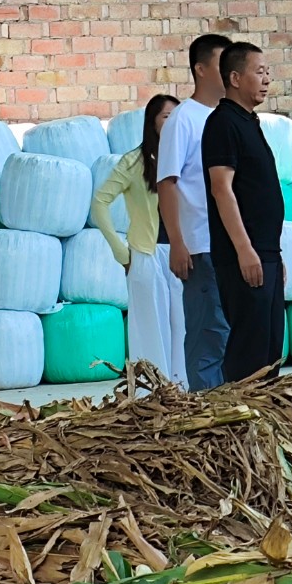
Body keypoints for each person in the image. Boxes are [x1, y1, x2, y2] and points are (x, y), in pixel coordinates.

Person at [203, 42, 287, 382]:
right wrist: (245, 250)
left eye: (268, 72)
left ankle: (268, 422)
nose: (266, 79)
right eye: (259, 71)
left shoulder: (250, 121)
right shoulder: (222, 123)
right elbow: (221, 189)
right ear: (235, 78)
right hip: (242, 255)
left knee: (269, 348)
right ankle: (243, 420)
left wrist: (271, 253)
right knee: (249, 351)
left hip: (264, 251)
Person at [92, 94, 187, 386]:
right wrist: (122, 252)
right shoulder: (133, 161)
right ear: (152, 122)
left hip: (181, 255)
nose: (171, 123)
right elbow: (99, 203)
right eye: (165, 117)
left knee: (184, 330)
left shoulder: (186, 157)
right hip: (146, 255)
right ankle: (154, 398)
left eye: (175, 117)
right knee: (150, 332)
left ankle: (187, 395)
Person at [157, 33, 233, 390]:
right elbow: (167, 183)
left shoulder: (230, 117)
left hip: (231, 244)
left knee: (229, 330)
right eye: (222, 63)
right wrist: (177, 242)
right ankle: (208, 411)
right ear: (201, 69)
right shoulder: (184, 119)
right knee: (207, 331)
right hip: (200, 245)